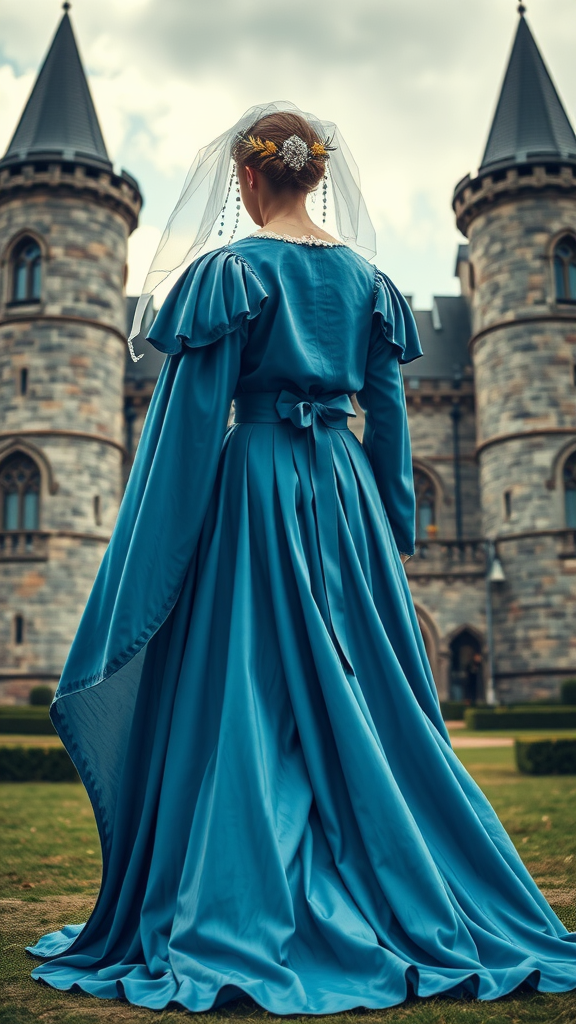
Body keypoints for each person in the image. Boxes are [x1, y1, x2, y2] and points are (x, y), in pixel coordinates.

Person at [27, 103, 576, 1013]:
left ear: (246, 180)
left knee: (252, 691)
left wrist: (165, 536)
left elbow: (193, 426)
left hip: (255, 491)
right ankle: (397, 875)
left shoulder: (230, 272)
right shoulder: (369, 281)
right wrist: (393, 524)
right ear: (315, 175)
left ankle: (248, 891)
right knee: (369, 696)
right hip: (345, 494)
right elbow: (390, 421)